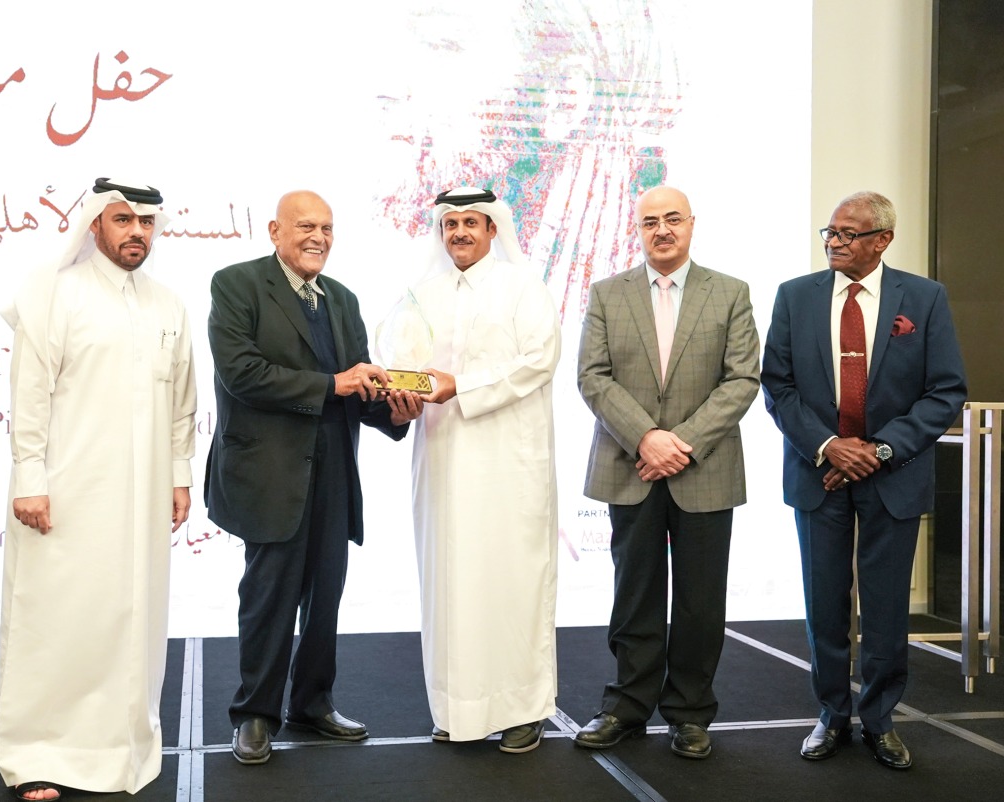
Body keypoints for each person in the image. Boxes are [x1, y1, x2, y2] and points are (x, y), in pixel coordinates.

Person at [204, 190, 422, 765]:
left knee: (326, 596)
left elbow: (358, 383)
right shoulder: (237, 284)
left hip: (332, 474)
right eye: (305, 226)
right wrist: (334, 386)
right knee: (269, 598)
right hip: (269, 473)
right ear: (275, 230)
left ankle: (312, 702)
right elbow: (241, 374)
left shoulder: (343, 300)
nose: (317, 237)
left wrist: (392, 413)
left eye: (326, 228)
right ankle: (254, 713)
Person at [0, 178, 197, 801]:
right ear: (95, 226)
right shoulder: (54, 295)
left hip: (140, 503)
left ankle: (124, 748)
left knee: (132, 619)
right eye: (122, 220)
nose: (136, 231)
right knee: (56, 620)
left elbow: (182, 404)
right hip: (66, 493)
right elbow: (29, 395)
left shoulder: (168, 304)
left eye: (145, 222)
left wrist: (178, 475)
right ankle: (37, 756)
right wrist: (30, 478)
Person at [762, 191, 966, 770]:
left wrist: (877, 450)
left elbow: (945, 390)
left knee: (884, 609)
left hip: (891, 474)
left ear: (882, 240)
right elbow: (777, 385)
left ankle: (879, 720)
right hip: (817, 472)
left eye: (848, 233)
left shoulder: (923, 299)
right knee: (825, 605)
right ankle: (831, 714)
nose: (834, 241)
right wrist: (829, 446)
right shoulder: (795, 296)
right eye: (829, 231)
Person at [575, 185, 760, 760]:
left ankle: (689, 712)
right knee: (634, 595)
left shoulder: (729, 293)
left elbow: (742, 380)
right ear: (638, 229)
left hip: (703, 467)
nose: (662, 230)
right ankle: (627, 707)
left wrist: (680, 443)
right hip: (630, 465)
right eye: (650, 221)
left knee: (702, 600)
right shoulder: (608, 293)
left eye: (672, 219)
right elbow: (593, 376)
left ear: (691, 224)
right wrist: (647, 438)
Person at [405, 187, 560, 753]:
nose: (460, 233)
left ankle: (523, 708)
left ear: (493, 229)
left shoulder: (525, 289)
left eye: (471, 223)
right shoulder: (423, 295)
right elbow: (411, 369)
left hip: (507, 466)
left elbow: (539, 361)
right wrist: (401, 394)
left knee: (512, 581)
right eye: (451, 225)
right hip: (443, 461)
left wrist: (460, 387)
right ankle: (458, 707)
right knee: (449, 582)